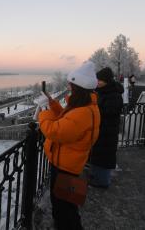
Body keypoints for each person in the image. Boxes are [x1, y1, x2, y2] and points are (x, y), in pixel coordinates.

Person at [38, 61, 101, 230]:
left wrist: (43, 113)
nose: (69, 87)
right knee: (67, 205)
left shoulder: (83, 112)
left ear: (78, 88)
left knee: (64, 208)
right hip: (70, 163)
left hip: (65, 166)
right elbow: (68, 121)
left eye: (71, 85)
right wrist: (52, 104)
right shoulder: (87, 107)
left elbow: (55, 130)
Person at [89, 67, 124, 188]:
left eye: (100, 80)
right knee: (98, 154)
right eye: (97, 79)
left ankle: (103, 182)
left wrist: (93, 108)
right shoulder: (102, 92)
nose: (97, 82)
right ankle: (97, 176)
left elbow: (108, 112)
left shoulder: (113, 95)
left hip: (107, 131)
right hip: (102, 130)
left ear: (107, 81)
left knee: (103, 156)